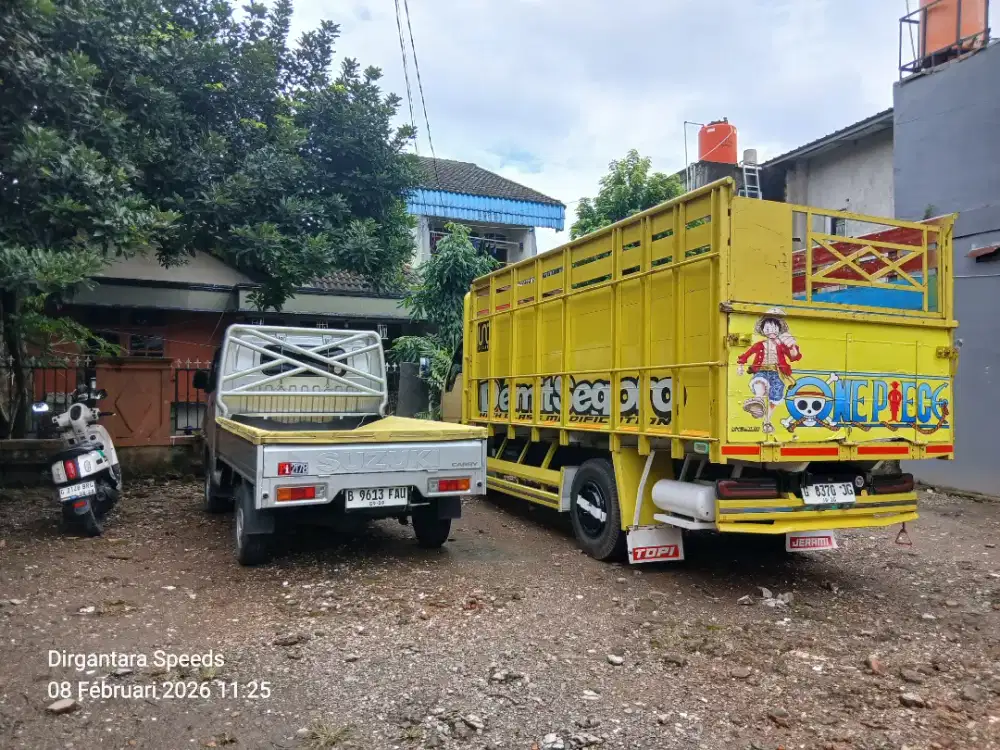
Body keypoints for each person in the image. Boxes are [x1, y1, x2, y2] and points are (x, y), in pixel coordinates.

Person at [736, 308, 802, 434]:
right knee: (759, 382)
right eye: (767, 328)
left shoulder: (782, 345)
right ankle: (758, 401)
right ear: (763, 330)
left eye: (773, 328)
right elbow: (746, 354)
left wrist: (792, 346)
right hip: (761, 370)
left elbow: (794, 356)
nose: (771, 331)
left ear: (779, 330)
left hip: (777, 373)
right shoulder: (760, 345)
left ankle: (766, 419)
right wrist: (740, 365)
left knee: (775, 396)